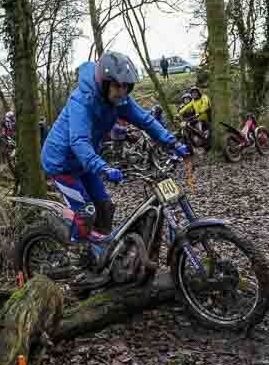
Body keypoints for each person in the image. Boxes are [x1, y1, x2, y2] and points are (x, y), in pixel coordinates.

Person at [41, 51, 188, 289]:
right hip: (61, 162)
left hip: (85, 161)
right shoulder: (82, 100)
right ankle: (80, 262)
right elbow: (78, 141)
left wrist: (172, 142)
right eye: (117, 87)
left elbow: (145, 120)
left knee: (106, 207)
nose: (122, 92)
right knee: (87, 210)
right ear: (104, 83)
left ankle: (100, 256)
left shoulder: (120, 101)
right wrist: (103, 167)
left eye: (126, 87)